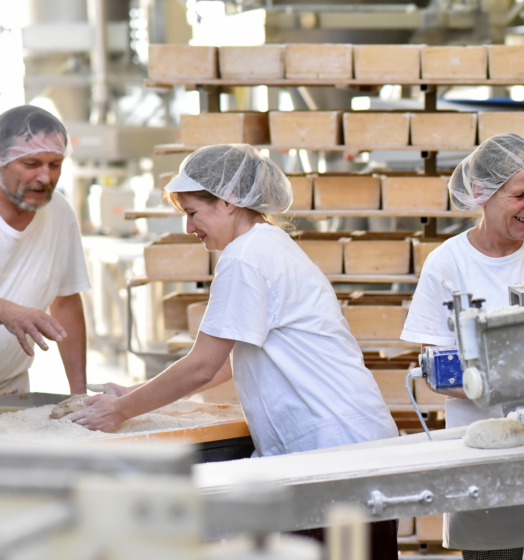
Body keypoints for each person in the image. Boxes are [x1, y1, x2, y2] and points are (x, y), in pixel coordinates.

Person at [70, 144, 401, 555]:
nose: (189, 227)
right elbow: (229, 359)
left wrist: (120, 411)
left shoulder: (245, 257)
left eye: (193, 212)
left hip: (331, 454)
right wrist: (140, 398)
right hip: (349, 448)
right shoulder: (267, 244)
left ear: (227, 202)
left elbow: (203, 367)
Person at [401, 134, 524, 560]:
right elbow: (437, 367)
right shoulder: (448, 263)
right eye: (520, 195)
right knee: (494, 554)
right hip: (482, 446)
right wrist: (512, 388)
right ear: (482, 195)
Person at [0, 105, 88, 396]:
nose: (45, 178)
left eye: (55, 164)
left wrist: (79, 394)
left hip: (9, 389)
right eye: (31, 163)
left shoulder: (59, 211)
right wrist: (6, 310)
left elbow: (65, 302)